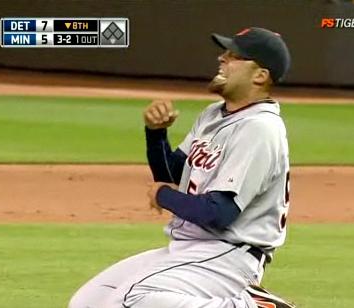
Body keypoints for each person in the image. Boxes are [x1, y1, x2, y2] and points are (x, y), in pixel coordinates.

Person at [68, 27, 294, 308]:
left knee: (133, 299)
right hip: (188, 249)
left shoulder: (260, 128)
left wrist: (163, 195)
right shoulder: (213, 114)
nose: (222, 58)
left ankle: (251, 306)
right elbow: (174, 174)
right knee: (89, 303)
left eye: (234, 55)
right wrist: (156, 134)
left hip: (227, 255)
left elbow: (218, 213)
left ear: (260, 75)